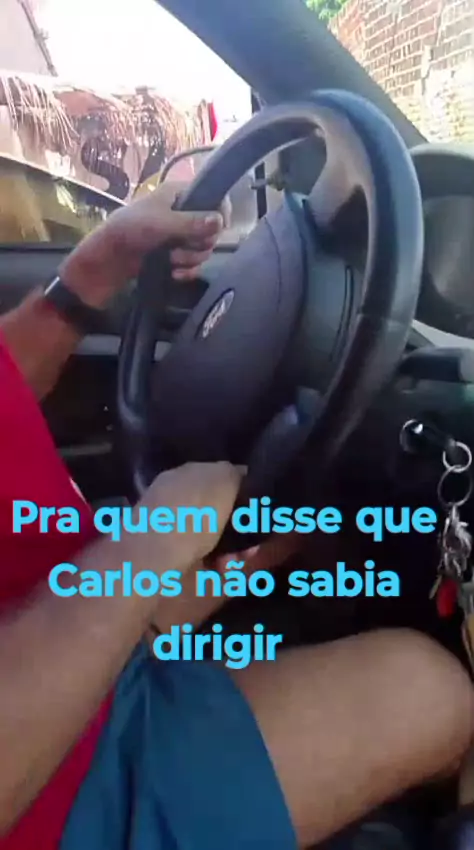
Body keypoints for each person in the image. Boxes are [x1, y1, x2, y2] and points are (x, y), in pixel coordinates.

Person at [0, 182, 472, 850]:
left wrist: (93, 271)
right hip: (47, 781)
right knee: (434, 688)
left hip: (69, 610)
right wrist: (150, 546)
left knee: (297, 534)